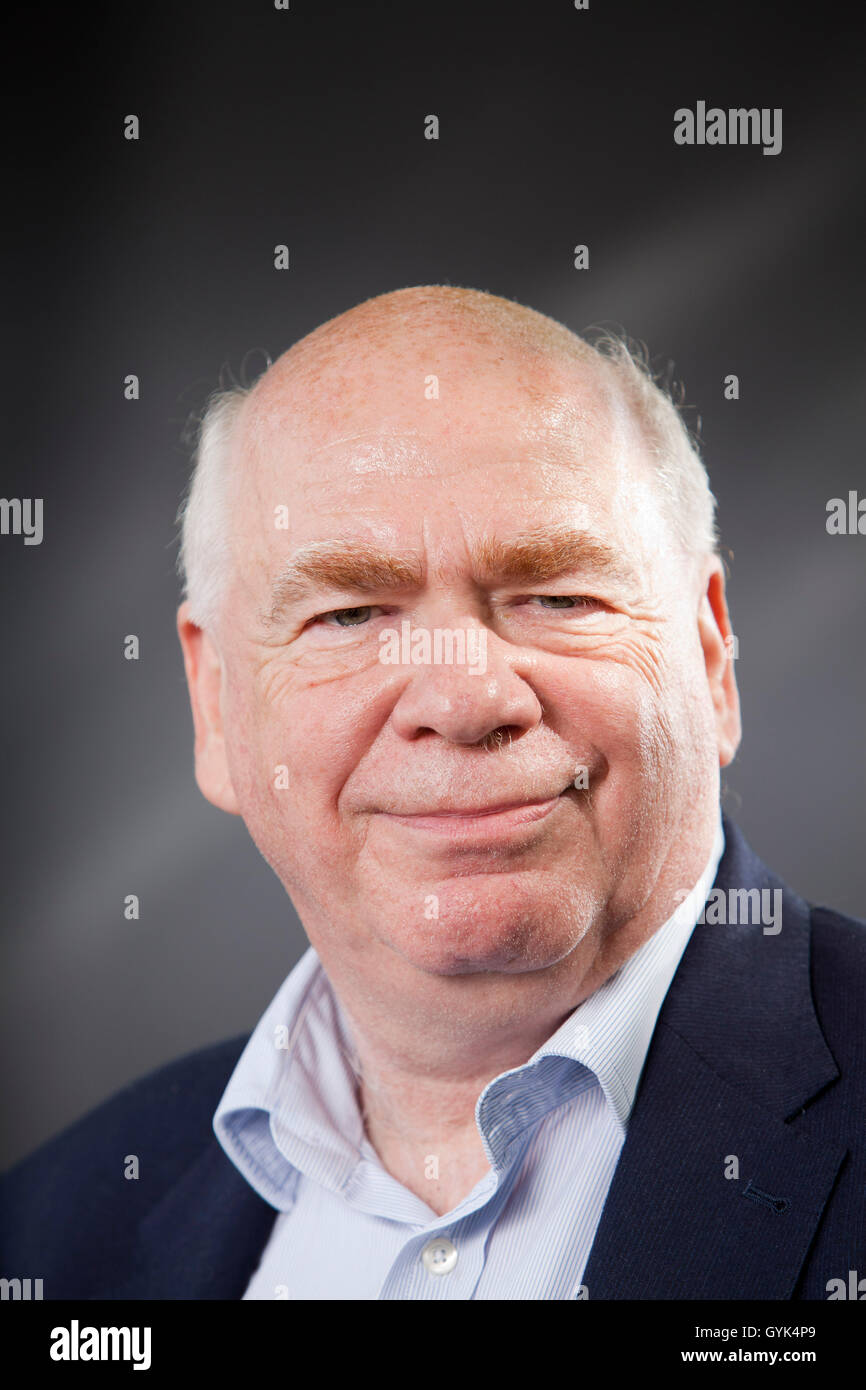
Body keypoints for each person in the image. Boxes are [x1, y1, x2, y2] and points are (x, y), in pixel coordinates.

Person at [2, 286, 863, 1300]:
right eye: (351, 613)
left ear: (710, 654)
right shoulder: (53, 1232)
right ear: (216, 702)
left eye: (554, 595)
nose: (464, 698)